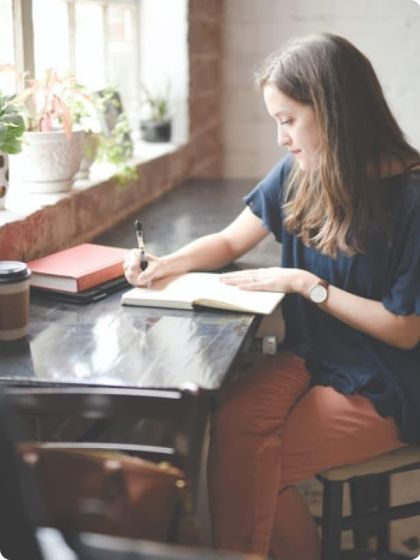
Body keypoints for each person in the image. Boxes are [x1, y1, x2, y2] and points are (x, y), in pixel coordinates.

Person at [124, 33, 420, 560]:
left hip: (390, 378)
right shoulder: (300, 173)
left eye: (288, 120)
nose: (281, 138)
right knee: (234, 422)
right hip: (313, 355)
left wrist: (306, 285)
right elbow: (231, 240)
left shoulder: (413, 198)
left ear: (334, 112)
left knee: (261, 463)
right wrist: (165, 263)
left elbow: (404, 328)